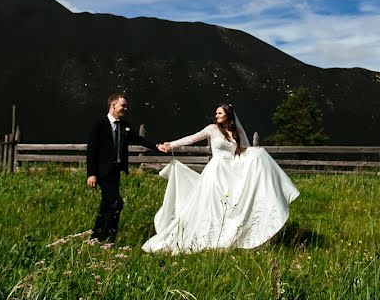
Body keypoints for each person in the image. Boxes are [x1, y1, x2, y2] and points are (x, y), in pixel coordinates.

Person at [143, 103, 299, 254]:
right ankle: (206, 235)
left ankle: (231, 233)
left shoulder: (235, 132)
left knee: (234, 197)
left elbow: (244, 151)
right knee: (212, 204)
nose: (216, 115)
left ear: (228, 115)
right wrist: (171, 145)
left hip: (231, 171)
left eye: (220, 113)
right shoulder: (212, 129)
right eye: (216, 113)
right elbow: (192, 138)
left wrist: (256, 156)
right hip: (216, 171)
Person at [87, 93, 160, 244]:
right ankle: (108, 238)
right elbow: (92, 150)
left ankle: (96, 236)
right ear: (113, 106)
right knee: (116, 203)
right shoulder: (99, 124)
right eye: (123, 106)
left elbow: (139, 139)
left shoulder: (124, 125)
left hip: (115, 171)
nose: (125, 108)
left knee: (107, 203)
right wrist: (91, 174)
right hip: (103, 171)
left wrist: (157, 146)